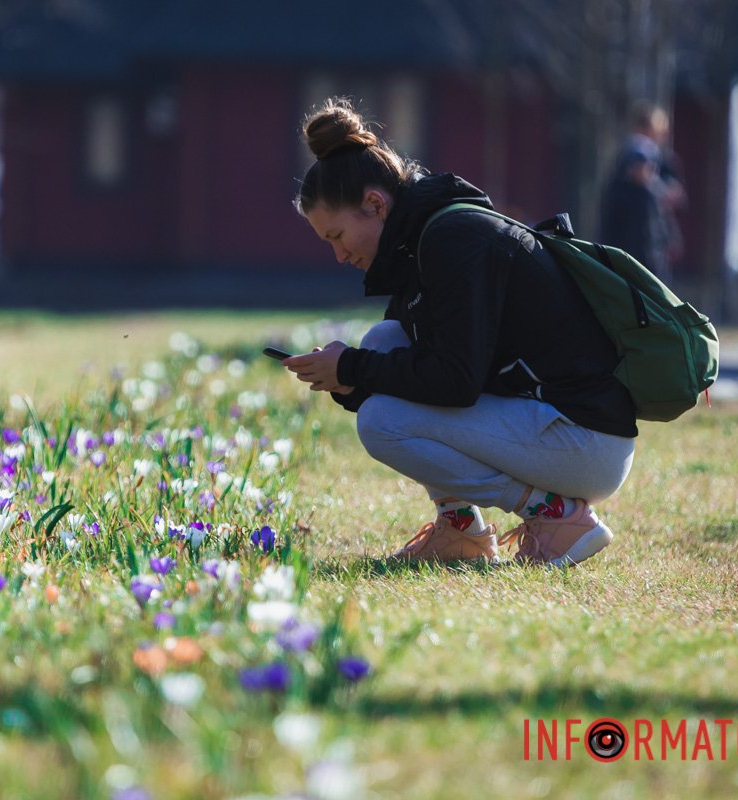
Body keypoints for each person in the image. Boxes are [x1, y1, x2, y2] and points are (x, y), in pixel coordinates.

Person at [280, 98, 637, 567]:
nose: (339, 256)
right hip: (548, 425)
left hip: (586, 442)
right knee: (384, 341)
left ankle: (556, 517)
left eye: (337, 236)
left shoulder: (454, 240)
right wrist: (349, 381)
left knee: (380, 422)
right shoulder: (418, 242)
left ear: (374, 204)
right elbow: (419, 373)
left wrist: (351, 368)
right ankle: (461, 532)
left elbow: (454, 381)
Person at [599, 102, 686, 282]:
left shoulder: (659, 158)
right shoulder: (635, 149)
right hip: (632, 241)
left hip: (648, 244)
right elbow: (639, 176)